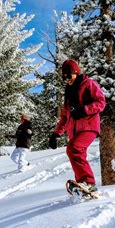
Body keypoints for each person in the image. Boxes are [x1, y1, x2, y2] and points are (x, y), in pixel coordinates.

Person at [48, 59, 106, 193]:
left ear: (76, 72)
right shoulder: (68, 94)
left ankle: (88, 182)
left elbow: (101, 102)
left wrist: (85, 110)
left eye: (68, 75)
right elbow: (64, 117)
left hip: (89, 126)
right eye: (64, 77)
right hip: (74, 131)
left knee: (73, 149)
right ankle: (82, 187)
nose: (66, 79)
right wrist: (56, 134)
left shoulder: (88, 83)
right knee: (77, 155)